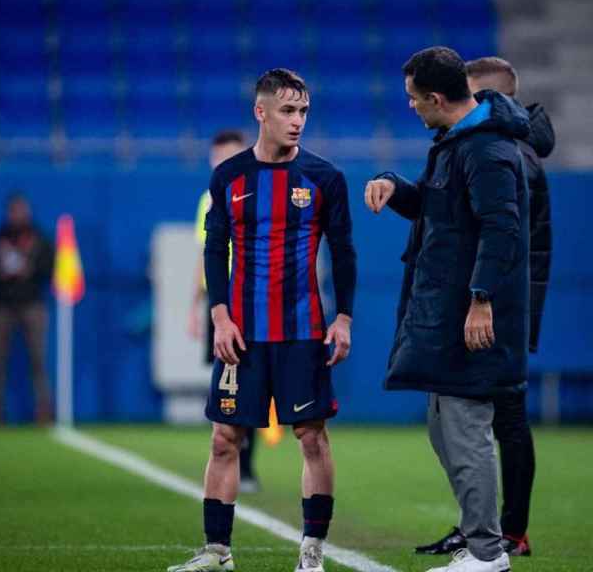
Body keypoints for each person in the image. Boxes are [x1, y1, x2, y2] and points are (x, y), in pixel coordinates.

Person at [169, 68, 356, 572]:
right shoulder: (229, 176)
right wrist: (220, 316)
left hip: (302, 331)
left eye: (303, 113)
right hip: (242, 335)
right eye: (288, 112)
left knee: (312, 436)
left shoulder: (324, 178)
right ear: (261, 112)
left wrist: (343, 317)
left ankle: (312, 550)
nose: (297, 122)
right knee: (224, 437)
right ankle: (217, 551)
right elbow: (214, 249)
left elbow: (342, 251)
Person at [365, 46, 530, 572]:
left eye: (414, 100)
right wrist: (396, 189)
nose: (411, 108)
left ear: (436, 98)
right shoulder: (456, 144)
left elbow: (503, 230)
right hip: (446, 312)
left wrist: (481, 301)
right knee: (445, 428)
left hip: (471, 316)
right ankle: (478, 542)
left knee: (465, 429)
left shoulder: (486, 152)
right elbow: (443, 211)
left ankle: (485, 552)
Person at [413, 56, 555, 559]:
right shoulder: (493, 146)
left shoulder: (505, 153)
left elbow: (502, 233)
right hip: (493, 301)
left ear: (497, 96)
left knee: (499, 420)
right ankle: (486, 530)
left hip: (499, 307)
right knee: (473, 423)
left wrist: (484, 298)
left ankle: (503, 535)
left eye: (476, 93)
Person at [189, 129, 262, 494]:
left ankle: (246, 467)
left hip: (249, 301)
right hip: (218, 302)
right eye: (217, 158)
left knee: (251, 383)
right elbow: (204, 256)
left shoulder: (260, 193)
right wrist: (195, 305)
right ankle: (228, 459)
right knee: (225, 383)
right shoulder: (209, 198)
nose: (222, 164)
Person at [0, 193, 55, 425]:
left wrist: (30, 270)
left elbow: (50, 268)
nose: (18, 214)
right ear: (8, 212)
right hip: (2, 305)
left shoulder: (39, 237)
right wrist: (0, 274)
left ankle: (44, 410)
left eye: (22, 210)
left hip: (32, 304)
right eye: (14, 210)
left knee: (38, 360)